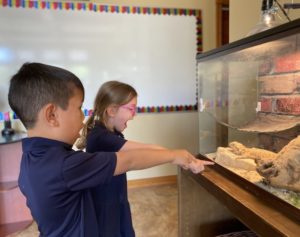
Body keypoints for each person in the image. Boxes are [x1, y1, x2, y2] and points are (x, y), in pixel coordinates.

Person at [8, 62, 213, 237]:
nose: (82, 116)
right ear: (52, 114)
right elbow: (130, 159)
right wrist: (176, 155)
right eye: (78, 107)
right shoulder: (64, 166)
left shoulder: (32, 159)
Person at [76, 81, 212, 237]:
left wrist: (184, 157)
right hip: (105, 202)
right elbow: (143, 150)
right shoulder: (100, 136)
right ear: (112, 110)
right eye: (131, 109)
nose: (134, 114)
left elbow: (149, 148)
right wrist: (177, 156)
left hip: (116, 196)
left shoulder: (109, 132)